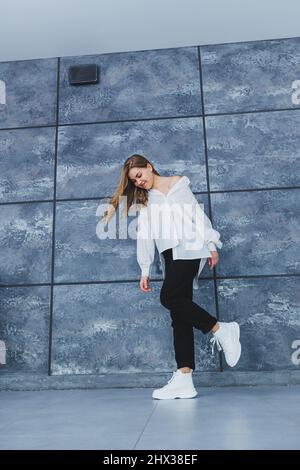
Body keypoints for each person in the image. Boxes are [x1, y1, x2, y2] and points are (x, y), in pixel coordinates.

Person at [102, 154, 241, 400]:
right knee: (179, 316)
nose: (139, 182)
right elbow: (145, 235)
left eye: (140, 175)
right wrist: (144, 268)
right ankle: (184, 378)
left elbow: (196, 215)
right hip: (170, 255)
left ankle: (221, 329)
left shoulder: (178, 183)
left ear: (149, 167)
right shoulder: (145, 202)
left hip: (190, 248)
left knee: (169, 297)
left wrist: (210, 242)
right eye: (134, 181)